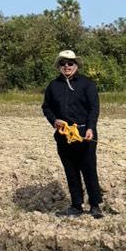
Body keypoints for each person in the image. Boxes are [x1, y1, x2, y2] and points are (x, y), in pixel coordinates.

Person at [42, 49, 103, 218]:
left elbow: (94, 108)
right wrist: (54, 121)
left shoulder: (87, 84)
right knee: (71, 170)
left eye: (70, 63)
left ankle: (95, 205)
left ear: (76, 65)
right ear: (59, 67)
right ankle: (76, 205)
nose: (67, 66)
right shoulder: (53, 86)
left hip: (85, 133)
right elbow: (46, 107)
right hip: (63, 135)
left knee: (89, 169)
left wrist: (91, 127)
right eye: (63, 64)